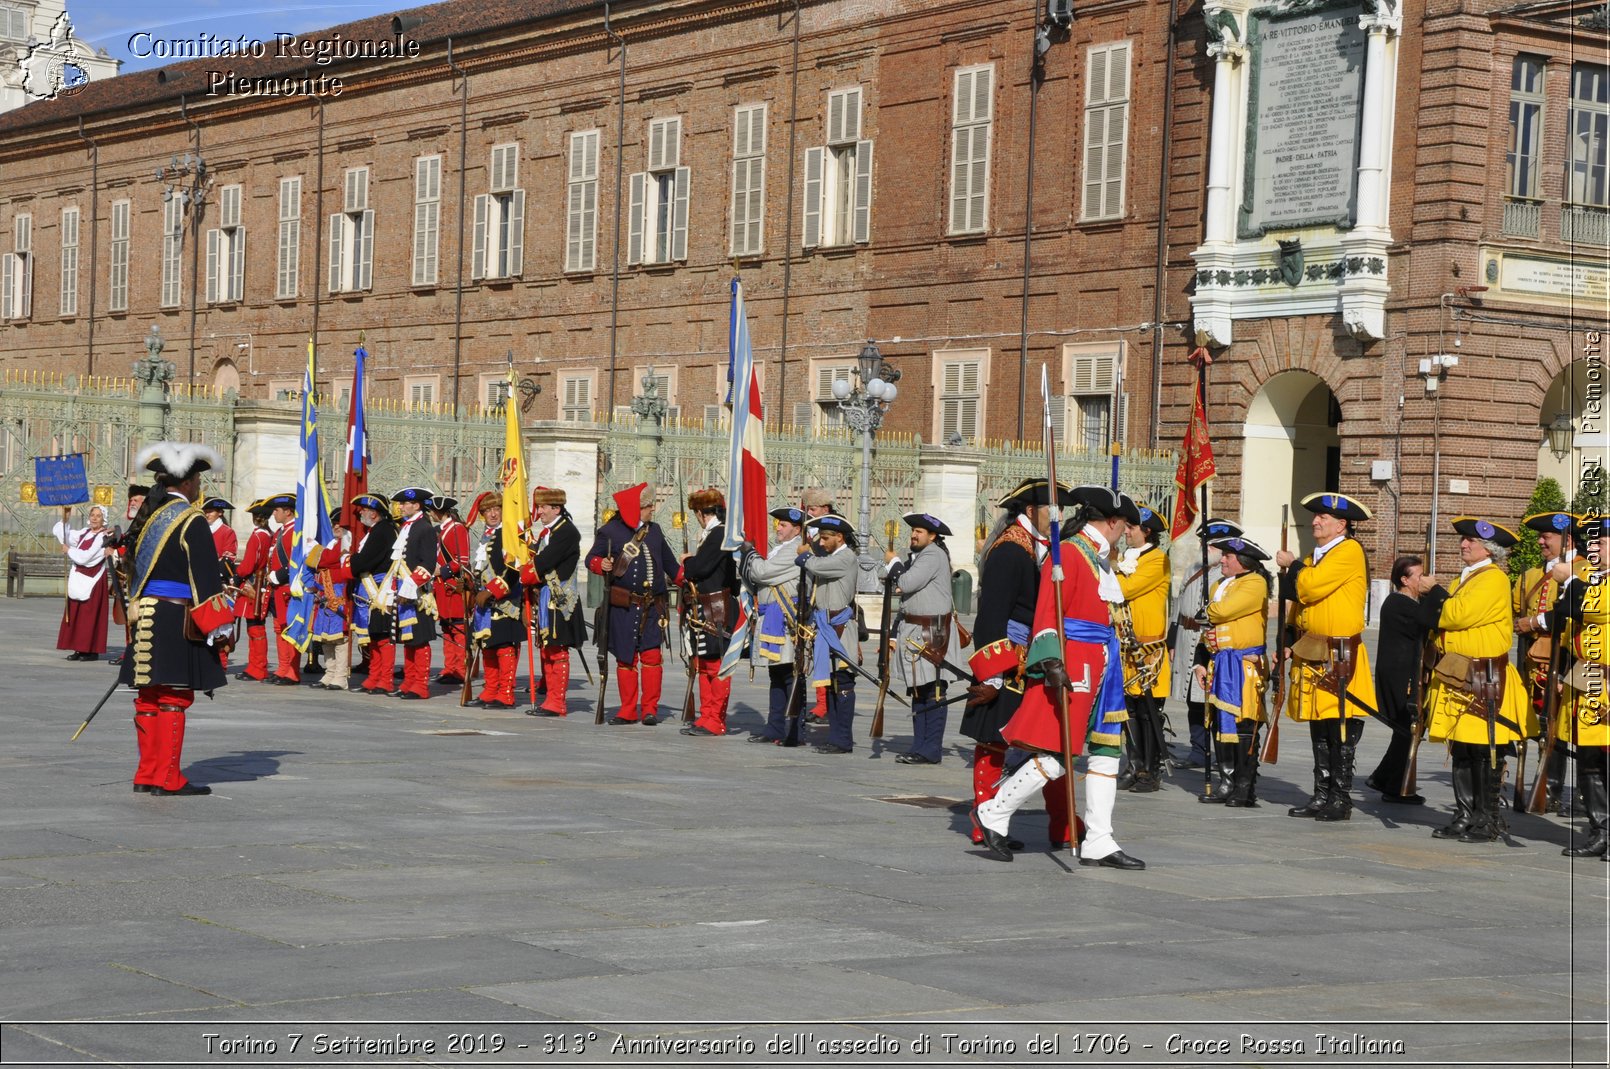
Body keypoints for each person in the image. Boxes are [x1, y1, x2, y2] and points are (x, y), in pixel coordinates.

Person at [973, 484, 1145, 870]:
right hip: (1073, 664)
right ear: (1114, 523)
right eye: (1125, 526)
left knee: (1105, 753)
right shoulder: (1068, 552)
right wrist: (1051, 660)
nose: (1125, 534)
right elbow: (1048, 612)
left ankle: (1100, 839)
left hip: (1104, 663)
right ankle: (994, 811)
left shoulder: (1098, 557)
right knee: (1056, 753)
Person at [962, 478, 1072, 851]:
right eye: (1051, 510)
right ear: (1030, 511)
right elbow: (991, 614)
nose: (1057, 517)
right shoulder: (1011, 550)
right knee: (994, 741)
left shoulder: (1037, 547)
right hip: (1009, 657)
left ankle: (1062, 823)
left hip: (1034, 654)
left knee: (1046, 741)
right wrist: (992, 672)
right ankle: (985, 822)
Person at [120, 442, 234, 796]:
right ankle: (168, 778)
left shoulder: (150, 517)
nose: (200, 485)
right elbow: (204, 578)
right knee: (173, 697)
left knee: (148, 697)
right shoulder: (191, 519)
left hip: (144, 614)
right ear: (188, 483)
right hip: (174, 615)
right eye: (198, 479)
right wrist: (220, 626)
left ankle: (147, 773)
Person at [1424, 517, 1536, 843]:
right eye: (1464, 541)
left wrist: (1434, 595)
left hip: (1485, 677)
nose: (1464, 545)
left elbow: (1458, 614)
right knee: (1461, 747)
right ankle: (1464, 814)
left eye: (1471, 542)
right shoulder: (1467, 577)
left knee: (1485, 750)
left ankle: (1487, 819)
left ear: (1488, 549)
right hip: (1460, 672)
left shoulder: (1493, 579)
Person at [1274, 491, 1378, 823]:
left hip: (1339, 655)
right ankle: (1321, 794)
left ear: (1342, 524)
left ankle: (1340, 798)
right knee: (1319, 725)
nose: (1316, 521)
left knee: (1340, 727)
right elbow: (1297, 600)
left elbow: (1311, 587)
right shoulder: (1316, 554)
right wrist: (1287, 639)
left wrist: (1293, 566)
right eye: (1316, 516)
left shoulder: (1347, 551)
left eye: (1324, 518)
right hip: (1313, 648)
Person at [1541, 514, 1610, 859]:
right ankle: (1601, 831)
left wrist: (1570, 580)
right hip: (1586, 677)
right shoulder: (1595, 578)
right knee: (1589, 760)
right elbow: (1566, 617)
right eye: (1592, 543)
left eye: (1601, 543)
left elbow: (1594, 609)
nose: (1594, 549)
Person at [1514, 511, 1590, 814]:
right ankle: (1551, 787)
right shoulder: (1532, 574)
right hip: (1540, 659)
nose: (1541, 541)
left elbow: (1572, 608)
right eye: (1541, 536)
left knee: (1581, 724)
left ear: (1567, 539)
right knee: (1548, 724)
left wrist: (1533, 621)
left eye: (1547, 536)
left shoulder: (1585, 570)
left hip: (1577, 656)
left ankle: (1588, 791)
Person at [587, 483, 677, 724]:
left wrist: (689, 579)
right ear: (634, 508)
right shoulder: (610, 531)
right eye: (648, 506)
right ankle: (627, 710)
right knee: (626, 659)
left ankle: (650, 709)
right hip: (624, 606)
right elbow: (591, 558)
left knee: (651, 657)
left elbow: (670, 563)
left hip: (652, 606)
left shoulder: (655, 530)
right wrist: (601, 564)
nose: (652, 510)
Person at [1198, 536, 1273, 807]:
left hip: (1243, 665)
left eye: (1228, 556)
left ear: (1242, 561)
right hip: (1219, 662)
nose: (1223, 560)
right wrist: (1199, 661)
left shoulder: (1255, 582)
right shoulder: (1220, 584)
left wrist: (1210, 610)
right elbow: (1207, 624)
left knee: (1244, 724)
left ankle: (1244, 786)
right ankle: (1226, 781)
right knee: (1220, 724)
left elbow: (1221, 612)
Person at [885, 512, 961, 764]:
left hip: (932, 631)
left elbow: (906, 583)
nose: (914, 534)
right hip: (917, 629)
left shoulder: (933, 555)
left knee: (934, 690)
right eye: (913, 530)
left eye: (919, 531)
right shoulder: (919, 556)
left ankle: (930, 749)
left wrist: (893, 563)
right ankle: (920, 746)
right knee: (919, 689)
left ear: (933, 536)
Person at [1367, 555, 1443, 805]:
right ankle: (1390, 784)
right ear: (1404, 579)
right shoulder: (1399, 603)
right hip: (1400, 675)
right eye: (1419, 576)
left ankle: (1385, 778)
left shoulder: (1410, 602)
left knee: (1408, 731)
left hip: (1406, 671)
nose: (1423, 580)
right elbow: (1433, 618)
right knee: (1408, 729)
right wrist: (1436, 591)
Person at [1170, 519, 1241, 770]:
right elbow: (1178, 606)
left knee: (1212, 700)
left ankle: (1221, 754)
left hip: (1209, 639)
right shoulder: (1194, 568)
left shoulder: (1228, 576)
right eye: (1205, 543)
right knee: (1193, 700)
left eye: (1212, 545)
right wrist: (1172, 640)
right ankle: (1198, 751)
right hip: (1186, 635)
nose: (1206, 548)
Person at [1116, 503, 1172, 792]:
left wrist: (1112, 567)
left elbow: (1125, 588)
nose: (1125, 531)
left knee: (1149, 711)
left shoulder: (1156, 559)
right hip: (1127, 645)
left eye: (1131, 527)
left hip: (1149, 650)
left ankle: (1151, 770)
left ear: (1146, 531)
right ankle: (1134, 765)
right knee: (1129, 710)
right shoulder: (1127, 559)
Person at [677, 488, 741, 736]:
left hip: (716, 606)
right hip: (704, 605)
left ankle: (715, 719)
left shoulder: (719, 534)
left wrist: (687, 561)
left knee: (716, 665)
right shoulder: (713, 534)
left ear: (702, 513)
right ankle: (706, 715)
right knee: (703, 663)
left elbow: (700, 569)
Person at [740, 507, 806, 744]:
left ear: (797, 530)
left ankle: (793, 730)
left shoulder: (794, 550)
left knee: (789, 675)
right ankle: (775, 728)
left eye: (784, 525)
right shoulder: (780, 549)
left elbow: (762, 573)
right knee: (776, 674)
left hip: (785, 617)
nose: (778, 527)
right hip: (771, 616)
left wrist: (751, 554)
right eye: (778, 524)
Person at [523, 486, 587, 716]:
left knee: (557, 651)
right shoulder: (548, 532)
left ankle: (557, 702)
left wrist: (523, 572)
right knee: (548, 650)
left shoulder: (566, 532)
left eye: (542, 507)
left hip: (560, 600)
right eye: (539, 507)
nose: (538, 512)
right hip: (546, 597)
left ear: (556, 508)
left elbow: (543, 563)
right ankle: (550, 698)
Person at [801, 514, 860, 753]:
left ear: (839, 537)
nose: (822, 543)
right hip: (825, 627)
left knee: (843, 683)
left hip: (840, 629)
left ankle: (843, 739)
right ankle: (835, 736)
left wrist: (805, 554)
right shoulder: (830, 555)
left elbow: (815, 566)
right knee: (832, 684)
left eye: (826, 538)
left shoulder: (846, 557)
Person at [469, 492, 527, 710]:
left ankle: (506, 693)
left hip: (505, 600)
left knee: (504, 646)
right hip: (485, 601)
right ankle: (491, 689)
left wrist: (492, 591)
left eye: (496, 509)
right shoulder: (486, 536)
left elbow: (513, 569)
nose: (493, 514)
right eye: (487, 511)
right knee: (488, 646)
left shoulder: (508, 534)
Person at [388, 487, 440, 700]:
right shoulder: (407, 527)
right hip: (403, 591)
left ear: (416, 505)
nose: (400, 507)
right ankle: (409, 682)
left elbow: (427, 564)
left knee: (419, 640)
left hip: (417, 594)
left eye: (404, 504)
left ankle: (420, 685)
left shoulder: (424, 528)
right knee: (408, 641)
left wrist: (408, 588)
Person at [349, 494, 400, 694]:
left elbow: (366, 561)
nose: (360, 512)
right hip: (373, 588)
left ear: (374, 512)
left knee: (383, 635)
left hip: (381, 588)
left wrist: (351, 562)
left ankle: (385, 679)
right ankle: (375, 675)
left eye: (364, 509)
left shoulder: (383, 531)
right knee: (375, 635)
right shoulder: (376, 530)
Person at [55, 504, 110, 660]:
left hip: (93, 579)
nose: (94, 518)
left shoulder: (102, 536)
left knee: (89, 615)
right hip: (79, 578)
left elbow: (86, 557)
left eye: (98, 516)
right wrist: (66, 516)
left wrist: (69, 551)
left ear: (103, 519)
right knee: (77, 614)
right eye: (92, 515)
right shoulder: (85, 533)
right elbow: (64, 536)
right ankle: (79, 648)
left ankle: (91, 650)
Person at [802, 487, 837, 721]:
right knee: (815, 653)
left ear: (824, 509)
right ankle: (821, 702)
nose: (808, 513)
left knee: (828, 655)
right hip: (812, 597)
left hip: (830, 600)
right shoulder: (811, 530)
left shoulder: (835, 529)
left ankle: (827, 703)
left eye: (812, 509)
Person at [429, 495, 471, 688]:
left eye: (432, 511)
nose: (431, 514)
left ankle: (460, 670)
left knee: (458, 628)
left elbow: (462, 560)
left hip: (452, 585)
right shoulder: (443, 530)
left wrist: (442, 570)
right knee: (447, 628)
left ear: (440, 512)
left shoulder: (457, 529)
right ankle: (449, 668)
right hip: (442, 586)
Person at [233, 500, 276, 681]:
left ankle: (257, 668)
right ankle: (255, 666)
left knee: (255, 627)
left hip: (253, 584)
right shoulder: (268, 534)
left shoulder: (258, 536)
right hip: (260, 584)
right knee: (255, 626)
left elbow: (248, 564)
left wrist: (237, 575)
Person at [107, 484, 149, 668]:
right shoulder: (135, 524)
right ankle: (129, 650)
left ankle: (138, 654)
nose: (131, 503)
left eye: (136, 500)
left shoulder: (149, 523)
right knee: (128, 618)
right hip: (128, 579)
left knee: (141, 620)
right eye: (130, 500)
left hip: (143, 581)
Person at [264, 493, 301, 685]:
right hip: (278, 588)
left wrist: (279, 575)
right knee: (279, 629)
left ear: (288, 512)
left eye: (277, 510)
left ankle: (292, 671)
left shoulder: (296, 531)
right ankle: (282, 667)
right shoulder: (282, 531)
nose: (274, 513)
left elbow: (297, 559)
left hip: (288, 587)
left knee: (290, 629)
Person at [202, 498, 238, 669]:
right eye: (205, 511)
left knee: (220, 624)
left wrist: (210, 571)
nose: (207, 514)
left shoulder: (227, 532)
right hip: (201, 582)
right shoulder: (201, 530)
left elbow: (228, 558)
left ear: (220, 513)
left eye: (211, 511)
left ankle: (221, 661)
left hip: (218, 582)